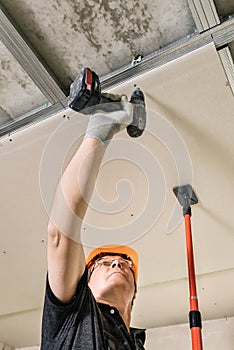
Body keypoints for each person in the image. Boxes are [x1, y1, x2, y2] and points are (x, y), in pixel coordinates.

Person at [41, 94, 146, 349]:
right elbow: (62, 234)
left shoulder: (133, 343)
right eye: (106, 263)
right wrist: (103, 128)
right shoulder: (73, 314)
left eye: (123, 264)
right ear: (84, 281)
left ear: (134, 296)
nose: (116, 264)